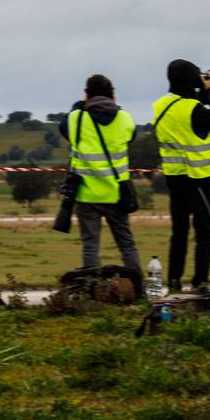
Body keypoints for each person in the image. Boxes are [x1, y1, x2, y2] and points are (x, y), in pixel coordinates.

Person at [151, 59, 210, 291]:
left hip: (174, 178)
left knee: (180, 233)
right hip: (198, 179)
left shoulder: (160, 106)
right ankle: (199, 282)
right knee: (205, 234)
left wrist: (199, 93)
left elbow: (185, 116)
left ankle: (174, 281)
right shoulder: (193, 109)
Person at [66, 74, 143, 275]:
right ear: (112, 94)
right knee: (126, 243)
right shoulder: (125, 119)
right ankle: (137, 286)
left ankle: (91, 288)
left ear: (87, 95)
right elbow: (132, 136)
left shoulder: (77, 118)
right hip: (116, 192)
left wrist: (81, 104)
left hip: (86, 194)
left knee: (90, 244)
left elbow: (64, 128)